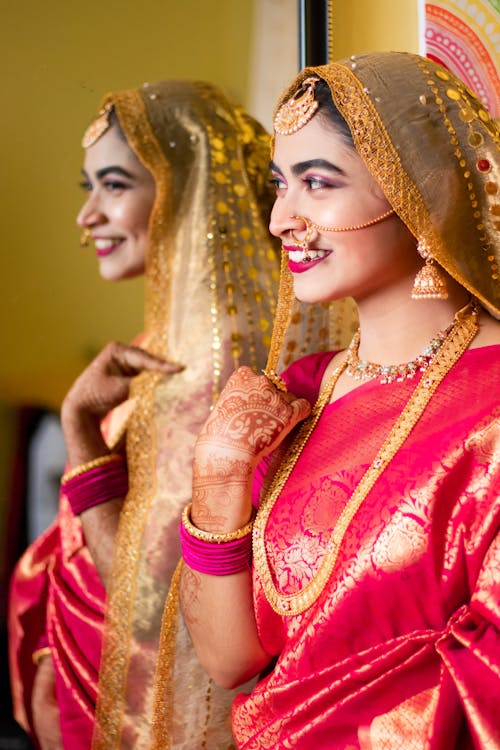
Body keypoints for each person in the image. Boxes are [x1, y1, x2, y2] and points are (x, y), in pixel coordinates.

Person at [179, 51, 500, 748]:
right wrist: (219, 474)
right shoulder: (297, 394)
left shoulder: (493, 404)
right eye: (278, 186)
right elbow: (230, 659)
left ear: (428, 192)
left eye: (316, 183)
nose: (281, 219)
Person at [9, 80, 281, 749]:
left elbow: (156, 605)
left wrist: (78, 429)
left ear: (190, 189)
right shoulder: (175, 336)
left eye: (114, 185)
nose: (88, 215)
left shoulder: (216, 357)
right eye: (88, 187)